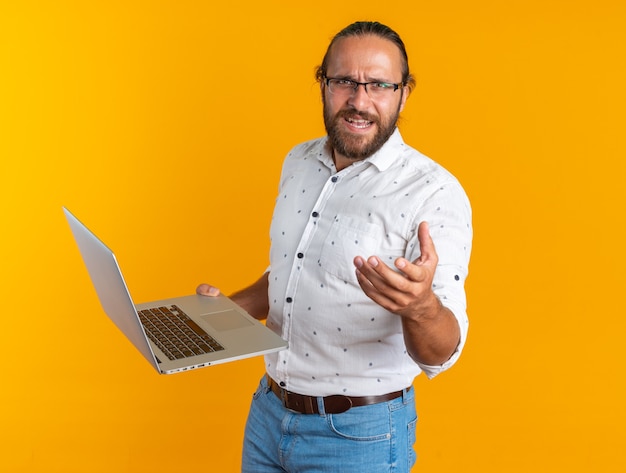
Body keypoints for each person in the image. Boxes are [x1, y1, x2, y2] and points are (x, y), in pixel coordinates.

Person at [197, 21, 472, 473]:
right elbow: (293, 274)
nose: (359, 101)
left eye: (379, 84)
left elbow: (443, 351)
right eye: (343, 80)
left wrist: (420, 307)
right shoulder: (299, 162)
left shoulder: (433, 194)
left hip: (358, 436)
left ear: (404, 92)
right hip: (268, 415)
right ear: (322, 84)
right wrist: (225, 315)